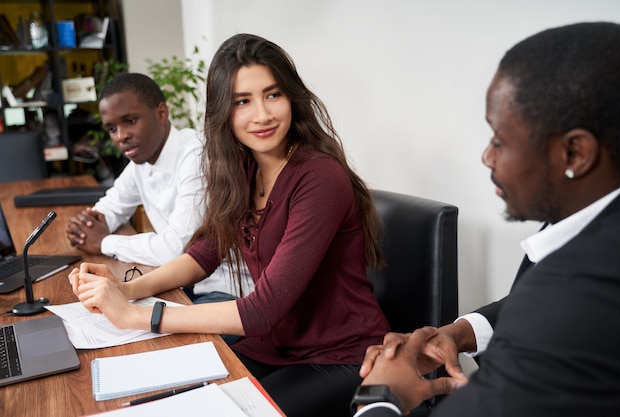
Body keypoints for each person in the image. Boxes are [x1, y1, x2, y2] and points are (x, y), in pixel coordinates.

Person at [69, 34, 390, 417]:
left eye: (273, 95)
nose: (262, 114)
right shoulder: (244, 168)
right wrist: (126, 289)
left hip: (343, 355)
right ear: (223, 110)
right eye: (242, 101)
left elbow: (261, 310)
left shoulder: (318, 177)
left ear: (292, 97)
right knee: (170, 400)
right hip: (274, 343)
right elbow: (205, 253)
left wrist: (136, 315)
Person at [355, 22, 620, 417]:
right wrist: (458, 333)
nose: (487, 156)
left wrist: (380, 394)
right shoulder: (596, 219)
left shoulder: (573, 305)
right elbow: (528, 302)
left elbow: (550, 313)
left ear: (574, 154)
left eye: (499, 140)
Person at [65, 73, 249, 300]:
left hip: (226, 288)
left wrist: (104, 242)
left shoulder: (197, 155)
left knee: (142, 324)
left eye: (131, 121)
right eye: (112, 129)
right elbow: (110, 207)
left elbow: (175, 248)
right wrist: (86, 228)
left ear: (162, 113)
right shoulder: (142, 159)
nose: (122, 136)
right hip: (181, 280)